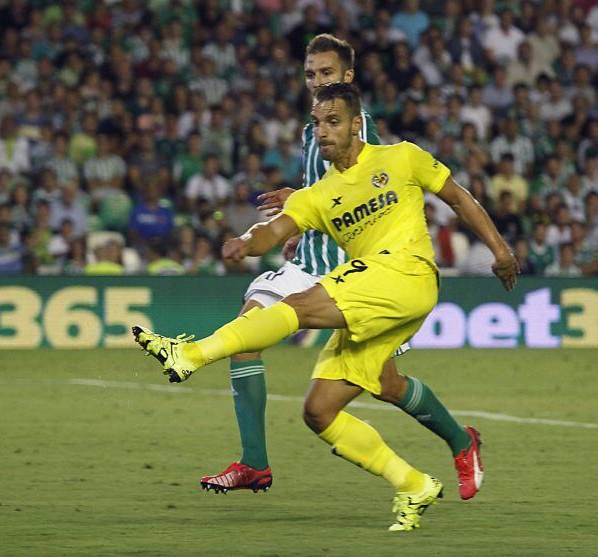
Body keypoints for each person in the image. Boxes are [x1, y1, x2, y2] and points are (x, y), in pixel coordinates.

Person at [134, 83, 518, 532]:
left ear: (357, 124)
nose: (324, 132)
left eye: (333, 121)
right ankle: (413, 483)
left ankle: (192, 355)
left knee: (302, 304)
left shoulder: (401, 157)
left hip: (408, 273)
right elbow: (274, 231)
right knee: (320, 410)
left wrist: (500, 249)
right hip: (379, 293)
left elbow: (457, 197)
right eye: (317, 123)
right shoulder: (317, 195)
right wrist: (245, 241)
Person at [199, 34, 482, 506]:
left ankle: (459, 441)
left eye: (326, 74)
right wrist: (298, 213)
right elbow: (324, 193)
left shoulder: (357, 128)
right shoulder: (316, 126)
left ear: (348, 78)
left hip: (354, 271)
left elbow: (365, 199)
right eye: (310, 74)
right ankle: (254, 462)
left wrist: (307, 213)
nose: (316, 82)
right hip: (311, 261)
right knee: (246, 332)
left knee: (387, 384)